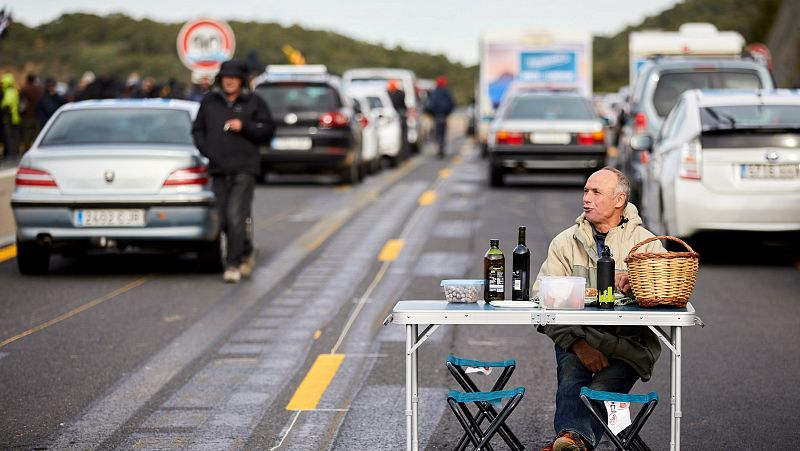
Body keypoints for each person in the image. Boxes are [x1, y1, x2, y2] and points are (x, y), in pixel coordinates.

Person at [535, 167, 665, 451]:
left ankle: (571, 440)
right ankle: (572, 441)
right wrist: (579, 344)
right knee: (571, 377)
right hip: (579, 338)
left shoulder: (645, 243)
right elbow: (540, 299)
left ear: (619, 200)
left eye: (596, 192)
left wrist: (638, 281)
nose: (587, 198)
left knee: (597, 394)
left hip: (629, 346)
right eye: (585, 191)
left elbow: (667, 292)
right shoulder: (564, 242)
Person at [192, 60, 274, 283]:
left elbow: (267, 130)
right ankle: (246, 248)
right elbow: (197, 130)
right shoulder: (210, 102)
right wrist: (208, 150)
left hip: (245, 168)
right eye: (226, 77)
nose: (229, 81)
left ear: (241, 81)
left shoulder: (254, 102)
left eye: (234, 78)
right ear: (220, 80)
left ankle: (233, 264)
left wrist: (245, 126)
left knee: (236, 216)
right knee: (225, 220)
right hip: (219, 168)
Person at [424, 75, 455, 158]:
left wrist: (431, 114)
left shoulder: (434, 93)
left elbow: (429, 105)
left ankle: (439, 147)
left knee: (437, 134)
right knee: (442, 133)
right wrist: (447, 113)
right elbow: (452, 104)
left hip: (436, 116)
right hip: (443, 116)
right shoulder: (446, 93)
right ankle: (441, 147)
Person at [19, 73, 43, 152]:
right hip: (37, 116)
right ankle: (36, 152)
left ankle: (27, 152)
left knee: (26, 137)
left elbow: (21, 104)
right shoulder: (39, 89)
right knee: (37, 137)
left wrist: (21, 113)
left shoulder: (24, 89)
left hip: (27, 116)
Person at [387, 79, 409, 160]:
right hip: (400, 116)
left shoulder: (388, 94)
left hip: (397, 116)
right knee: (403, 136)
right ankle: (404, 154)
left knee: (401, 136)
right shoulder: (400, 93)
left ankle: (403, 154)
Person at [1, 73, 21, 161]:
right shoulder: (14, 91)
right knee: (13, 136)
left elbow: (7, 105)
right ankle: (13, 153)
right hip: (14, 117)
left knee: (8, 136)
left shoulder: (8, 92)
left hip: (8, 117)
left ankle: (10, 154)